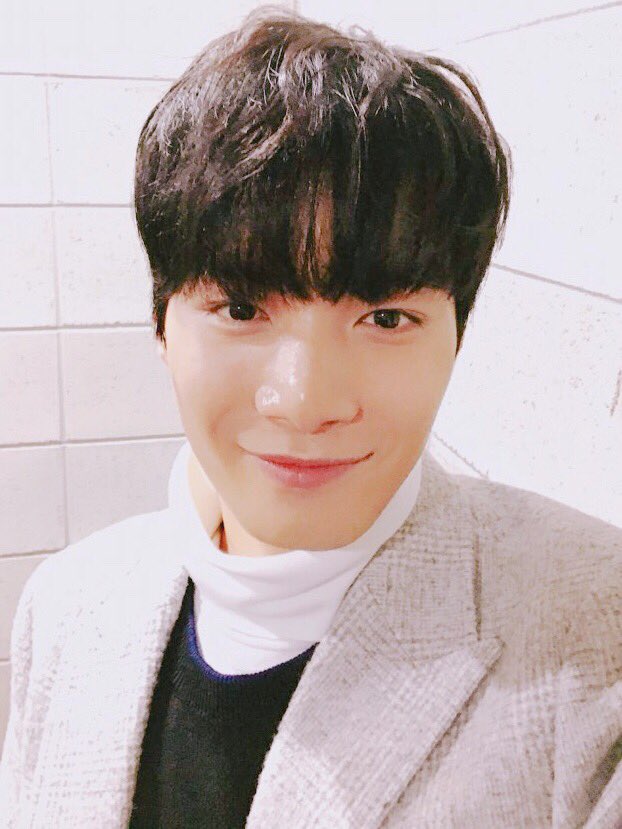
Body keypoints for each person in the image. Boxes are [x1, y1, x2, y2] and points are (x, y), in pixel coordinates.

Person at [1, 5, 621, 827]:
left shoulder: (596, 633)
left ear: (457, 335)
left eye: (386, 317)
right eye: (242, 308)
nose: (305, 402)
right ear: (161, 325)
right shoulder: (65, 606)